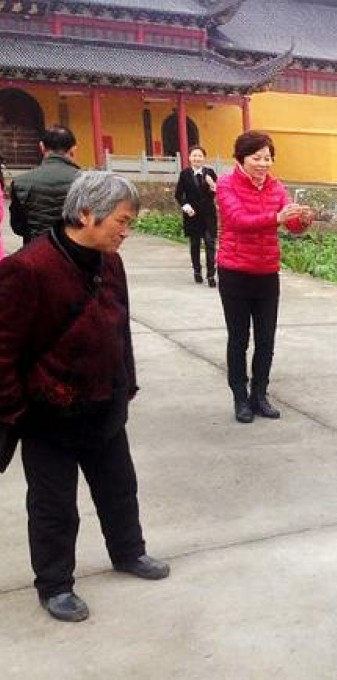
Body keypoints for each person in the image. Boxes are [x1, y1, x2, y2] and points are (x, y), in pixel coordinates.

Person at [0, 172, 169, 623]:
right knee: (54, 506)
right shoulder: (28, 268)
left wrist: (126, 382)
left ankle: (129, 552)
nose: (126, 231)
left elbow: (120, 328)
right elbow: (3, 350)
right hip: (49, 415)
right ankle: (55, 585)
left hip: (105, 403)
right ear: (87, 213)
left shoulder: (111, 262)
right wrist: (18, 409)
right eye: (122, 221)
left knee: (119, 488)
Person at [216, 130, 312, 423]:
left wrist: (302, 220)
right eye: (256, 158)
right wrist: (276, 218)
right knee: (239, 338)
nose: (262, 164)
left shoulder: (276, 188)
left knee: (266, 338)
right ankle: (240, 397)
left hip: (267, 272)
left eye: (267, 158)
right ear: (240, 159)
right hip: (234, 271)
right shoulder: (226, 185)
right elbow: (238, 221)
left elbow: (291, 225)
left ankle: (260, 394)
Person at [8, 125, 81, 246]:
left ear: (41, 147)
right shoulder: (87, 181)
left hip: (36, 254)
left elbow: (18, 227)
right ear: (73, 150)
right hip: (76, 255)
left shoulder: (21, 182)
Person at [175, 145, 219, 287]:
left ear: (204, 158)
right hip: (192, 215)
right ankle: (197, 271)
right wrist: (186, 206)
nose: (197, 158)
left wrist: (213, 185)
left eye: (200, 156)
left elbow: (219, 192)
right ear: (189, 158)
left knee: (210, 243)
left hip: (208, 215)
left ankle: (211, 275)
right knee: (194, 244)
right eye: (194, 155)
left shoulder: (210, 172)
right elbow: (178, 194)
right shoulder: (185, 174)